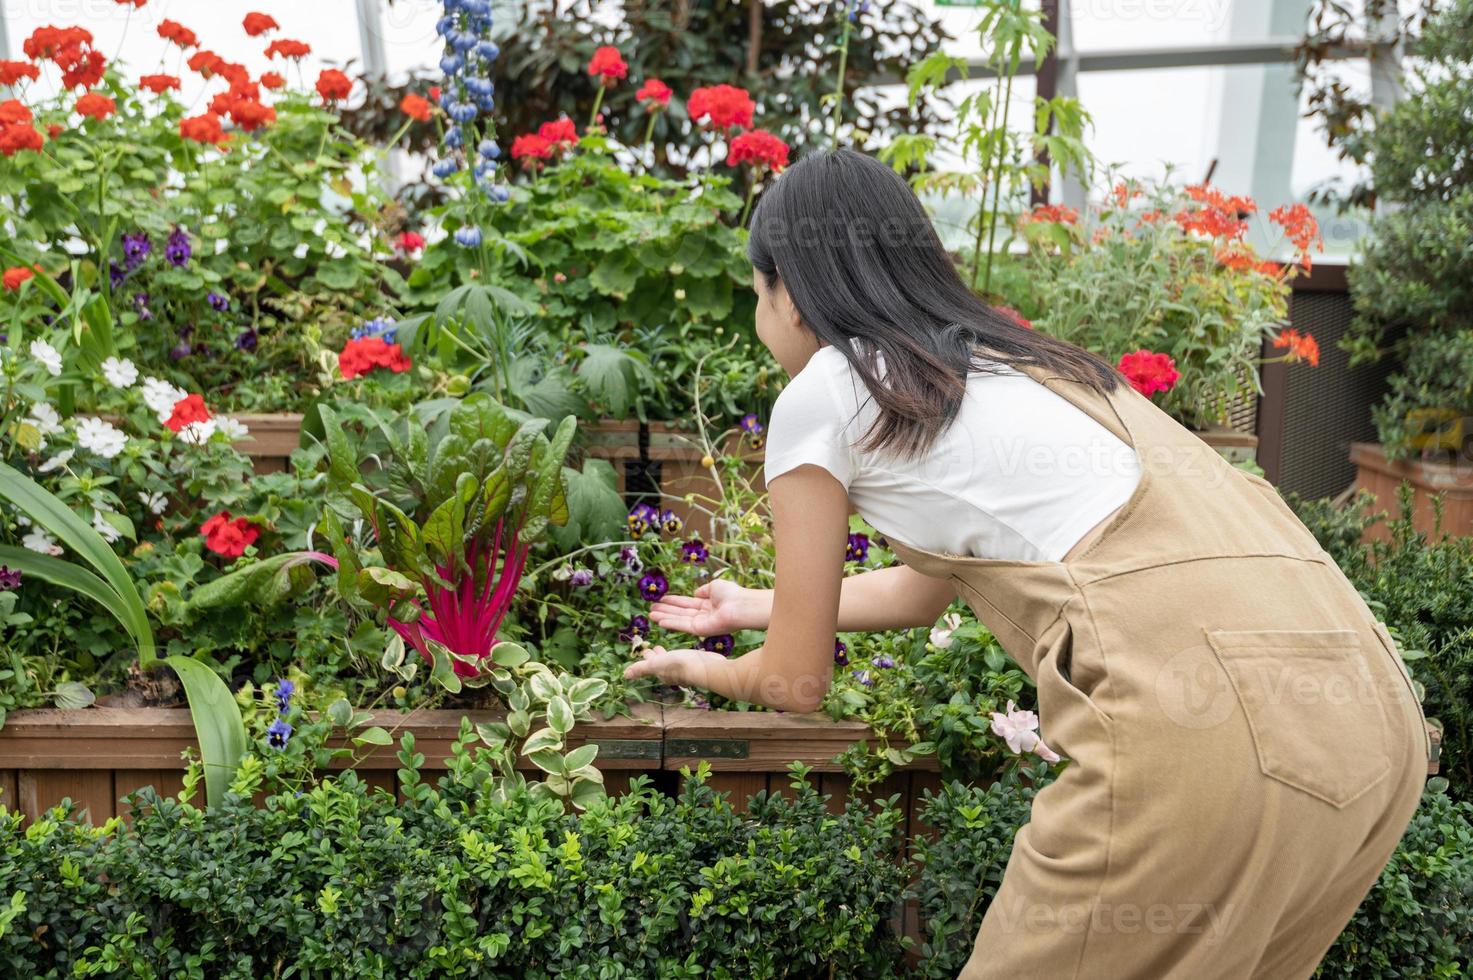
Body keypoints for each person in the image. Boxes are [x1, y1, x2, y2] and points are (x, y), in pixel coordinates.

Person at [623, 148, 1429, 979]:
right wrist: (748, 607)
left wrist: (705, 671)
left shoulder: (825, 391)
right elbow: (921, 592)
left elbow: (798, 682)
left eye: (754, 297)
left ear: (787, 290)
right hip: (1368, 721)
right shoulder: (1023, 366)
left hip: (1204, 733)